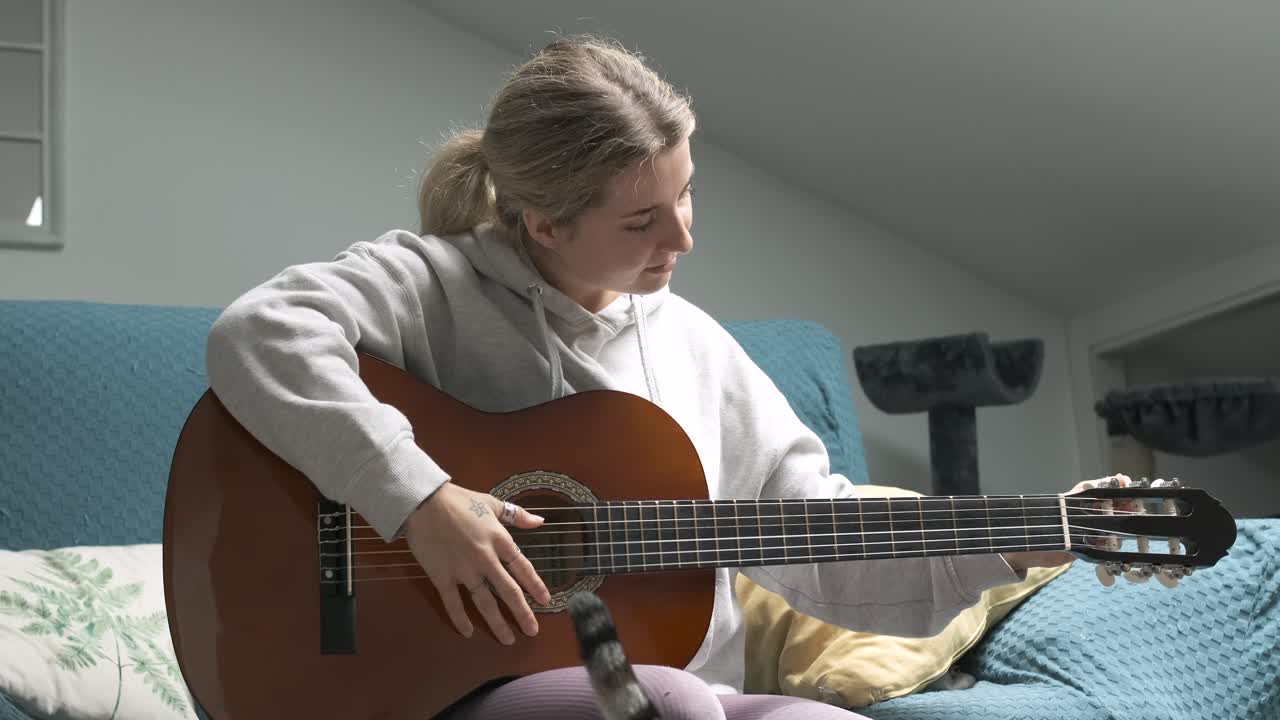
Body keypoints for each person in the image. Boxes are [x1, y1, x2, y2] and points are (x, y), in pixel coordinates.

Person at [206, 35, 1092, 720]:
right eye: (641, 220)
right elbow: (260, 330)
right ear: (544, 225)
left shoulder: (696, 347)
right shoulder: (434, 287)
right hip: (459, 684)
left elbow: (815, 538)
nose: (683, 237)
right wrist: (420, 502)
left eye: (687, 193)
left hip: (690, 690)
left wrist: (1016, 543)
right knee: (665, 703)